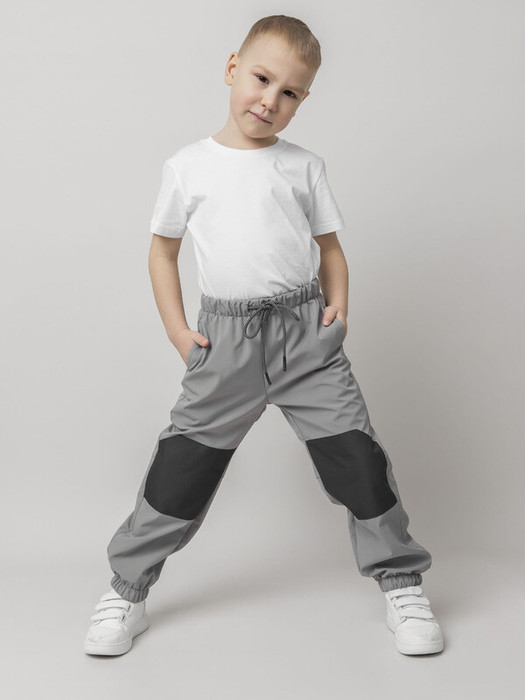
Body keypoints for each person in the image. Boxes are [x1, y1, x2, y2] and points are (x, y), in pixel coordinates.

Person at [84, 14, 444, 657]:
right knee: (181, 471)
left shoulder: (303, 167)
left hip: (306, 339)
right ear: (232, 69)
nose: (270, 100)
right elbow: (162, 252)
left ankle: (401, 584)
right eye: (260, 79)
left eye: (290, 92)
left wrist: (338, 309)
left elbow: (330, 249)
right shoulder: (188, 166)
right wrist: (179, 332)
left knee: (358, 461)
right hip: (226, 342)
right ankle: (126, 591)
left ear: (303, 100)